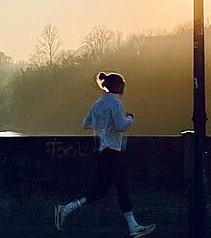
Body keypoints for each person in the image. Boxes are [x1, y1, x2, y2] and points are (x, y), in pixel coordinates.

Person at [54, 72, 156, 237]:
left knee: (101, 190)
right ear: (117, 86)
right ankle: (133, 227)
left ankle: (66, 209)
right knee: (121, 187)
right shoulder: (116, 104)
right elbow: (122, 126)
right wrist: (130, 118)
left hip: (101, 151)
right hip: (111, 151)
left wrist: (101, 127)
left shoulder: (97, 104)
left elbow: (86, 123)